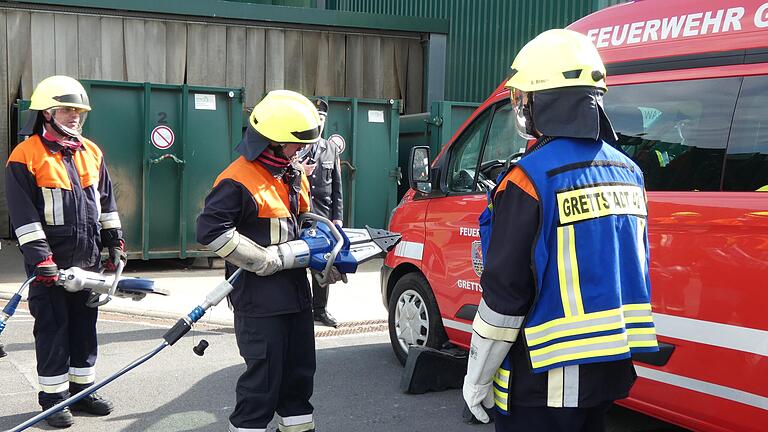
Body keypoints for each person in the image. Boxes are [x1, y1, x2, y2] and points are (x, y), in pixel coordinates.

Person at [463, 29, 659, 431]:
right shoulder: (629, 173)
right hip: (607, 371)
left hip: (544, 378)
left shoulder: (529, 178)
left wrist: (477, 378)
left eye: (525, 99)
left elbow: (506, 293)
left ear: (544, 102)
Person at [197, 90, 343, 432]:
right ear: (273, 142)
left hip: (295, 295)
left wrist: (326, 258)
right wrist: (263, 259)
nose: (301, 151)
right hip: (259, 301)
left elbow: (303, 225)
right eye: (296, 144)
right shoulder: (237, 179)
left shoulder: (291, 175)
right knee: (261, 386)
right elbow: (210, 231)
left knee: (299, 379)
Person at [5, 75, 126, 428]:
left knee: (85, 327)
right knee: (53, 329)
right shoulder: (25, 156)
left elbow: (106, 203)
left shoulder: (91, 151)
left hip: (87, 260)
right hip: (49, 266)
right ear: (46, 113)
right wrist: (41, 260)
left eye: (79, 111)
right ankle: (53, 400)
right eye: (66, 110)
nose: (74, 116)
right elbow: (24, 218)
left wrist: (114, 242)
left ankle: (82, 391)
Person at [300, 99, 344, 328]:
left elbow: (337, 185)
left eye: (323, 120)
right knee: (299, 265)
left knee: (323, 266)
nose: (320, 123)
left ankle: (320, 310)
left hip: (325, 218)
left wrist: (338, 217)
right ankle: (302, 310)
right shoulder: (297, 148)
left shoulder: (331, 148)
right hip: (303, 217)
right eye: (316, 119)